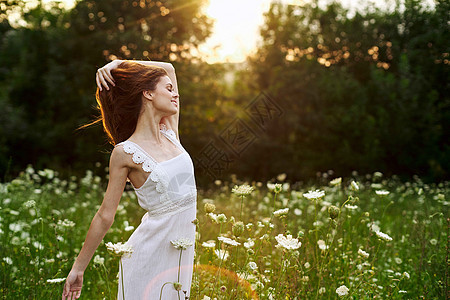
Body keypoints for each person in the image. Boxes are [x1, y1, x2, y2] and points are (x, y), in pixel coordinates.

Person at [62, 59, 197, 300]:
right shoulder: (125, 152)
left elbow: (169, 68)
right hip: (146, 260)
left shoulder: (170, 132)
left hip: (178, 258)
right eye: (168, 89)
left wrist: (119, 63)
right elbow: (105, 215)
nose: (175, 94)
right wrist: (78, 268)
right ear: (148, 94)